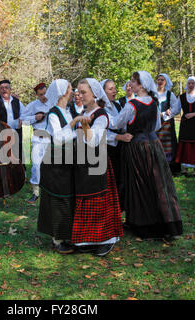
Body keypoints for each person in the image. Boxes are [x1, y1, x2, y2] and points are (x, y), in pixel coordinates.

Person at [113, 71, 182, 240]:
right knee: (158, 184)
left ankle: (142, 224)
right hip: (154, 146)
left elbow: (117, 123)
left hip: (137, 148)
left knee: (139, 185)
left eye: (133, 83)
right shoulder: (154, 102)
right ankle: (165, 223)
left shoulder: (131, 105)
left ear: (141, 85)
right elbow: (157, 125)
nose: (130, 85)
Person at [72, 78, 124, 256]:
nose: (80, 95)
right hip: (82, 162)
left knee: (98, 199)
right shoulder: (82, 111)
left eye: (83, 92)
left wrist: (85, 125)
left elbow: (94, 140)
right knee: (84, 198)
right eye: (78, 92)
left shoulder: (101, 114)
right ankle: (86, 239)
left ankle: (104, 239)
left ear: (94, 93)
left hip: (97, 162)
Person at [37, 79, 83, 254]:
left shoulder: (66, 111)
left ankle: (67, 234)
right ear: (64, 92)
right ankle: (58, 239)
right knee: (58, 199)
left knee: (66, 198)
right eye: (71, 89)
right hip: (55, 162)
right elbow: (57, 138)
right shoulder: (54, 114)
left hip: (66, 160)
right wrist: (73, 124)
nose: (72, 92)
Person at [100, 79, 132, 213]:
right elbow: (101, 132)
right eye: (110, 89)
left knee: (120, 178)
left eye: (115, 88)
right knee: (109, 181)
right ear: (103, 91)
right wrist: (119, 137)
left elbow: (122, 124)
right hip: (106, 149)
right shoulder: (99, 108)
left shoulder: (118, 105)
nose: (114, 91)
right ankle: (109, 210)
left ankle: (118, 209)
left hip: (119, 148)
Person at [20, 82, 51, 204]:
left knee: (50, 165)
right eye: (40, 95)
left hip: (51, 138)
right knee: (36, 165)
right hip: (38, 139)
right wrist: (34, 118)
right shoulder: (33, 105)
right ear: (37, 95)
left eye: (44, 93)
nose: (43, 96)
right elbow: (22, 119)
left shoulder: (53, 104)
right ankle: (36, 192)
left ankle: (49, 190)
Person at [171, 76, 195, 176]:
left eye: (192, 83)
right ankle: (185, 168)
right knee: (185, 145)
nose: (191, 85)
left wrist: (194, 114)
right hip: (185, 124)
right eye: (189, 83)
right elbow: (176, 110)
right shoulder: (181, 97)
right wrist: (166, 113)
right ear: (187, 84)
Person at [0, 80, 25, 164]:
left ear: (10, 89)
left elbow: (24, 113)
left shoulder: (16, 101)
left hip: (16, 131)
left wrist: (21, 120)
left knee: (18, 153)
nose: (4, 90)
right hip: (2, 132)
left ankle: (21, 173)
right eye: (1, 88)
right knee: (3, 154)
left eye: (6, 88)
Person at [156, 73, 181, 175]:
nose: (160, 81)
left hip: (167, 123)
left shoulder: (170, 94)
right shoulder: (152, 94)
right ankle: (157, 166)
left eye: (162, 80)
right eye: (158, 79)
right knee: (156, 143)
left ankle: (168, 167)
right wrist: (159, 114)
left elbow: (177, 108)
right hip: (155, 123)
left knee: (168, 144)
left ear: (166, 82)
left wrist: (168, 114)